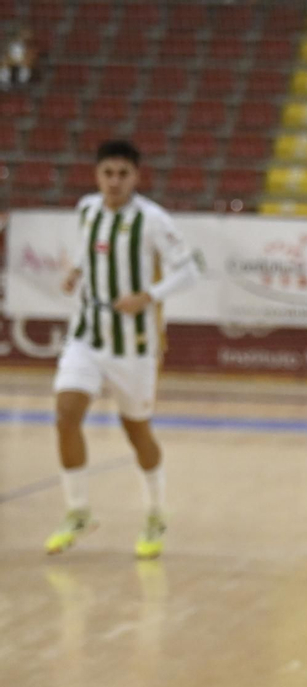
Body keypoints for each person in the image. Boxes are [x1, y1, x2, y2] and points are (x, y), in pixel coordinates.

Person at [48, 140, 201, 559]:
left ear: (136, 176)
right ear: (97, 175)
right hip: (87, 333)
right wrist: (77, 271)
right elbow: (87, 246)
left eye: (122, 174)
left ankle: (155, 512)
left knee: (137, 431)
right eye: (107, 173)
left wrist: (147, 296)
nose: (114, 181)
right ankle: (78, 510)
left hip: (133, 343)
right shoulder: (87, 209)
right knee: (66, 414)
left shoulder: (152, 220)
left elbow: (189, 271)